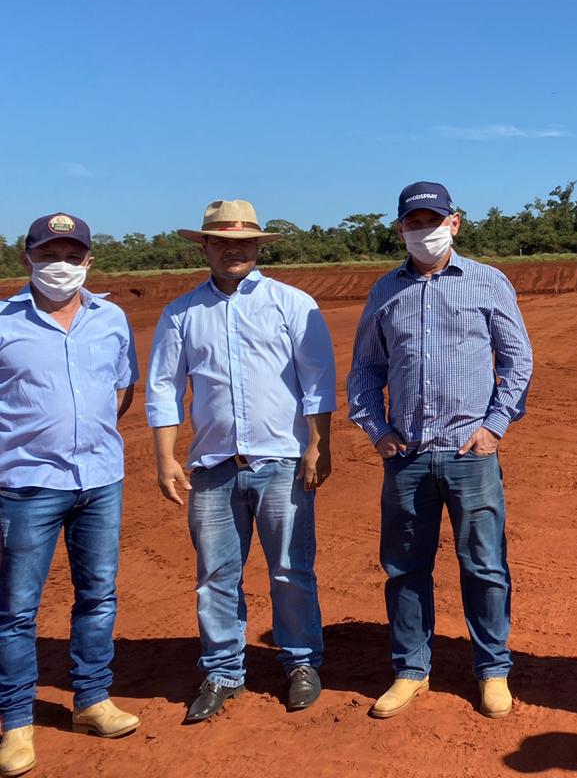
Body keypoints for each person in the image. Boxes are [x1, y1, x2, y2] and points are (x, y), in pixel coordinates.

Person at [347, 181, 533, 720]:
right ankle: (411, 669)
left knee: (484, 565)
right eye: (413, 222)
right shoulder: (385, 291)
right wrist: (376, 429)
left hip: (470, 454)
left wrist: (494, 426)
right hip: (406, 456)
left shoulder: (487, 282)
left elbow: (517, 359)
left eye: (433, 220)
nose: (423, 230)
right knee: (405, 568)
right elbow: (365, 369)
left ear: (454, 223)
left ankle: (493, 670)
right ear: (400, 229)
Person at [146, 199, 335, 724]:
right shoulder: (181, 313)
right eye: (223, 242)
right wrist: (166, 458)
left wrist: (319, 445)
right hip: (213, 467)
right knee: (215, 576)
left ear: (258, 246)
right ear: (204, 247)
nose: (235, 250)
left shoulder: (292, 304)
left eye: (245, 242)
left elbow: (318, 381)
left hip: (281, 462)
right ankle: (223, 671)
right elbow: (163, 388)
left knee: (291, 569)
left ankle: (301, 662)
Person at [0, 213, 140, 777]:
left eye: (72, 255)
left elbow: (121, 390)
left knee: (98, 595)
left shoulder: (111, 318)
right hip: (26, 485)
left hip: (100, 480)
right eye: (48, 254)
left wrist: (86, 434)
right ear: (26, 258)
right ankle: (16, 725)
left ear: (89, 260)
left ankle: (92, 700)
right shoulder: (4, 322)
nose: (61, 265)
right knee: (16, 610)